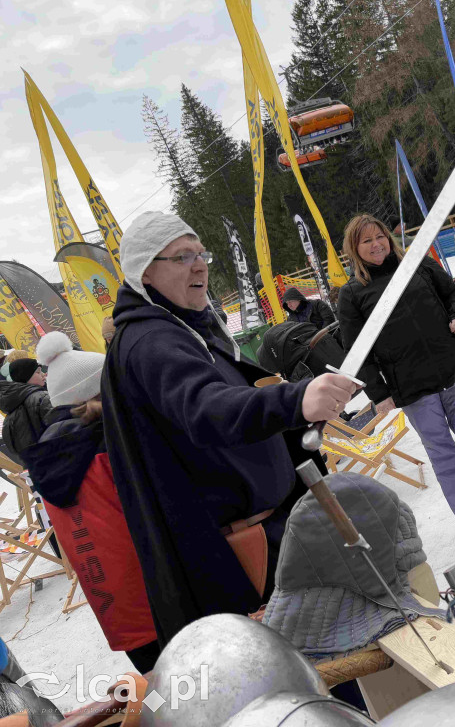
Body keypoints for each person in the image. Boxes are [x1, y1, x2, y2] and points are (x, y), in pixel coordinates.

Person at [101, 210, 357, 648]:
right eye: (182, 257)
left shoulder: (184, 327)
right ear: (145, 272)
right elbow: (207, 408)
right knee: (311, 671)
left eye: (201, 253)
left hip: (274, 535)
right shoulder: (151, 342)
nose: (199, 264)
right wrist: (295, 399)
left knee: (330, 653)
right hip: (246, 556)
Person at [336, 215, 455, 540]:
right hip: (411, 387)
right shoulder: (352, 294)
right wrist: (379, 393)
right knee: (443, 452)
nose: (376, 244)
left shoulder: (417, 265)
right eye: (367, 241)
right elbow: (356, 350)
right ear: (355, 248)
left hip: (451, 369)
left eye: (380, 236)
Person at [19, 332, 159, 673]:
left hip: (114, 605)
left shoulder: (50, 454)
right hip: (158, 595)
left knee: (165, 689)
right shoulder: (109, 448)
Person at [0, 358, 50, 465]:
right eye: (38, 372)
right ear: (26, 377)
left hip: (40, 468)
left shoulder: (10, 410)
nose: (43, 374)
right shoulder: (41, 398)